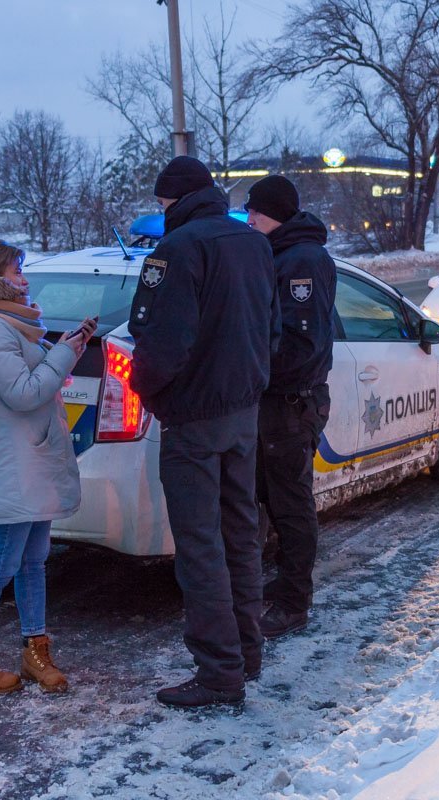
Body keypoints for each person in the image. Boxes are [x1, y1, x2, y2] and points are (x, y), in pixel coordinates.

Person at [128, 156, 279, 709]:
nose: (161, 210)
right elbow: (271, 329)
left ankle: (219, 673)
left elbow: (160, 341)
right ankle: (246, 652)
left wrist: (151, 393)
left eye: (162, 202)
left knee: (199, 546)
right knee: (240, 533)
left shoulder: (177, 249)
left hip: (193, 418)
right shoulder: (253, 244)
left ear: (174, 200)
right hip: (243, 413)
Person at [0, 240, 95, 695]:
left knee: (32, 561)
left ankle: (35, 652)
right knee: (0, 564)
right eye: (16, 271)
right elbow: (25, 393)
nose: (24, 279)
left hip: (29, 459)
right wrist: (63, 355)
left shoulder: (8, 323)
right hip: (10, 464)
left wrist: (65, 348)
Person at [244, 175, 336, 640]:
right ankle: (283, 585)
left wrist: (255, 370)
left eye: (255, 211)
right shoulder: (280, 253)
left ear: (276, 213)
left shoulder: (303, 260)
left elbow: (300, 342)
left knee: (291, 505)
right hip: (274, 401)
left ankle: (294, 602)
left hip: (290, 402)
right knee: (272, 498)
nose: (249, 218)